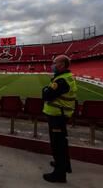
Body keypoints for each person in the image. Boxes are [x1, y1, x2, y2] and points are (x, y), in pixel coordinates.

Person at [42, 55, 77, 183]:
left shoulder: (61, 81)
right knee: (61, 143)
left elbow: (46, 95)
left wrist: (45, 89)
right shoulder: (66, 78)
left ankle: (59, 175)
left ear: (62, 65)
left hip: (58, 115)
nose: (53, 65)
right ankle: (62, 165)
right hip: (61, 114)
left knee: (58, 145)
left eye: (55, 63)